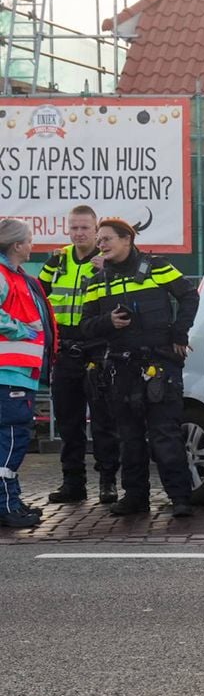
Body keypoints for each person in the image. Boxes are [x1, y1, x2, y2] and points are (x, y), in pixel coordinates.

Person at [79, 218, 199, 517]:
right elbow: (85, 326)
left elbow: (188, 296)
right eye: (99, 239)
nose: (101, 244)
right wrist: (108, 322)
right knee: (129, 437)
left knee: (165, 434)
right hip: (120, 367)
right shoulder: (96, 282)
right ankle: (135, 497)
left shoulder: (157, 267)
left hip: (158, 364)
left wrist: (178, 333)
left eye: (106, 239)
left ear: (126, 240)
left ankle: (181, 499)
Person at [39, 205, 121, 505]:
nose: (79, 233)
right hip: (64, 351)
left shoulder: (107, 261)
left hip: (97, 350)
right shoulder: (58, 260)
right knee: (68, 423)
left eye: (85, 228)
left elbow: (122, 300)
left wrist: (107, 272)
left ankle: (108, 482)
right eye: (74, 227)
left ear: (96, 229)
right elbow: (39, 295)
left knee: (103, 421)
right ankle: (73, 483)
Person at [0, 219, 56, 528]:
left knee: (10, 438)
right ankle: (6, 506)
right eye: (30, 240)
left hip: (18, 372)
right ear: (17, 245)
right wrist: (22, 329)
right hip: (8, 373)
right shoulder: (4, 276)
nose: (32, 245)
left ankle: (10, 501)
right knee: (12, 437)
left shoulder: (17, 276)